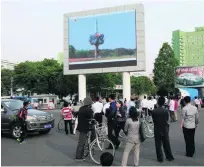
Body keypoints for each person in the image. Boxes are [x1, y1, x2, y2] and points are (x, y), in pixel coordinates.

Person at [152, 96, 174, 163]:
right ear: (164, 102)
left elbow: (154, 120)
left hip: (157, 128)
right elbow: (167, 119)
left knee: (158, 144)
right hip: (164, 128)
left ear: (158, 102)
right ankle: (169, 156)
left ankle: (160, 158)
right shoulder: (166, 111)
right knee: (166, 143)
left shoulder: (154, 111)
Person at [75, 97, 94, 161]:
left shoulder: (81, 108)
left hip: (80, 127)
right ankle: (78, 157)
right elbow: (91, 117)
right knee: (81, 143)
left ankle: (81, 155)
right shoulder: (88, 110)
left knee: (82, 142)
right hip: (85, 128)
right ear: (89, 103)